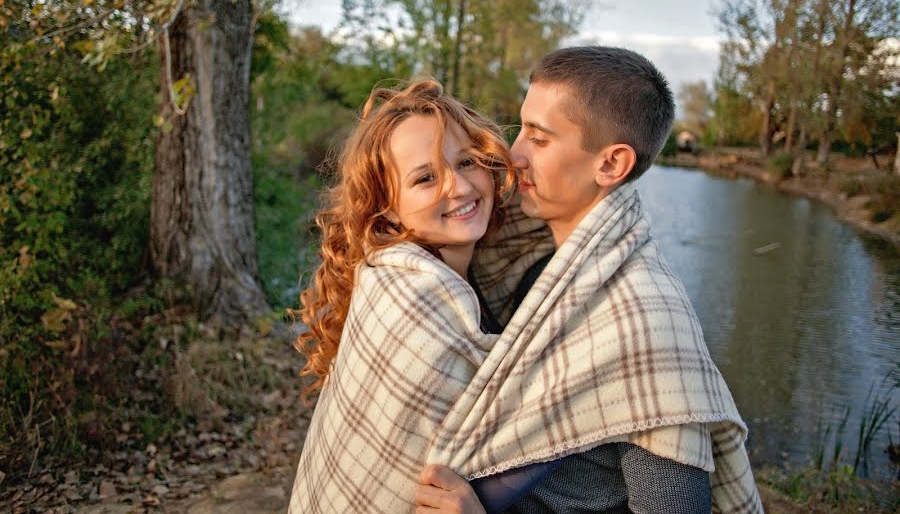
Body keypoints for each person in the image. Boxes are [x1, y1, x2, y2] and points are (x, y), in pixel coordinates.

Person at [414, 46, 762, 514]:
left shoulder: (647, 327)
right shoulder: (543, 268)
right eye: (521, 129)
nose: (513, 154)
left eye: (539, 138)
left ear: (611, 165)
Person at [287, 79, 516, 513]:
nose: (460, 187)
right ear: (388, 206)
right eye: (426, 178)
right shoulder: (409, 298)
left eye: (467, 162)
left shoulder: (428, 272)